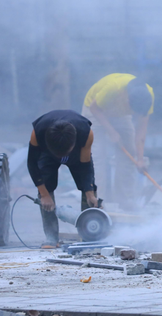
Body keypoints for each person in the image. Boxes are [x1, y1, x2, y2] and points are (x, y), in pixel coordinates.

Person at [27, 109, 98, 247]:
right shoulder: (38, 132)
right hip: (48, 155)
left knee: (89, 189)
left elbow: (85, 166)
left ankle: (89, 236)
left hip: (76, 155)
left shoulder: (85, 133)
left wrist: (89, 192)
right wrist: (44, 194)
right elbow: (32, 163)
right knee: (45, 189)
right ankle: (51, 237)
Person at [82, 73, 154, 209]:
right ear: (127, 100)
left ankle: (125, 200)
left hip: (120, 115)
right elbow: (94, 108)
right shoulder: (113, 88)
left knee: (129, 152)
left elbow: (141, 131)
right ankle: (96, 202)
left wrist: (139, 159)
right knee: (97, 156)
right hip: (95, 110)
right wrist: (111, 131)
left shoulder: (147, 97)